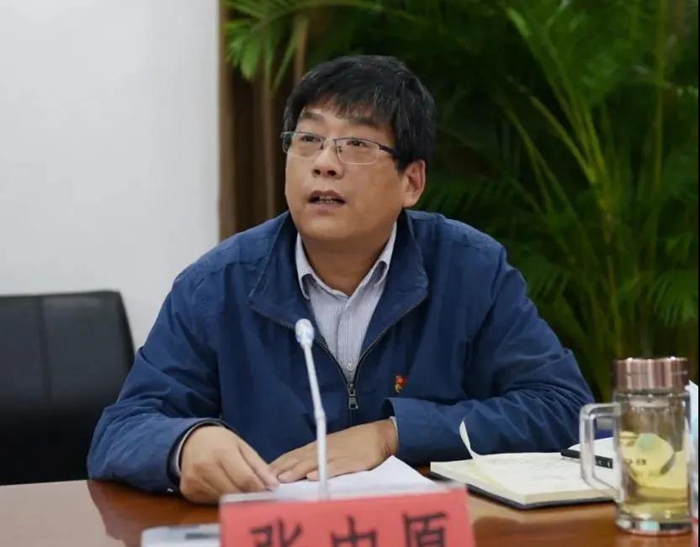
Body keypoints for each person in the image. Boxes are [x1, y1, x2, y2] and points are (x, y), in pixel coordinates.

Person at [88, 55, 593, 504]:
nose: (325, 164)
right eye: (308, 140)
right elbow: (122, 429)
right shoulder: (217, 285)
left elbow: (564, 407)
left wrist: (393, 434)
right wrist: (183, 446)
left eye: (356, 144)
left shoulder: (469, 269)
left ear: (411, 182)